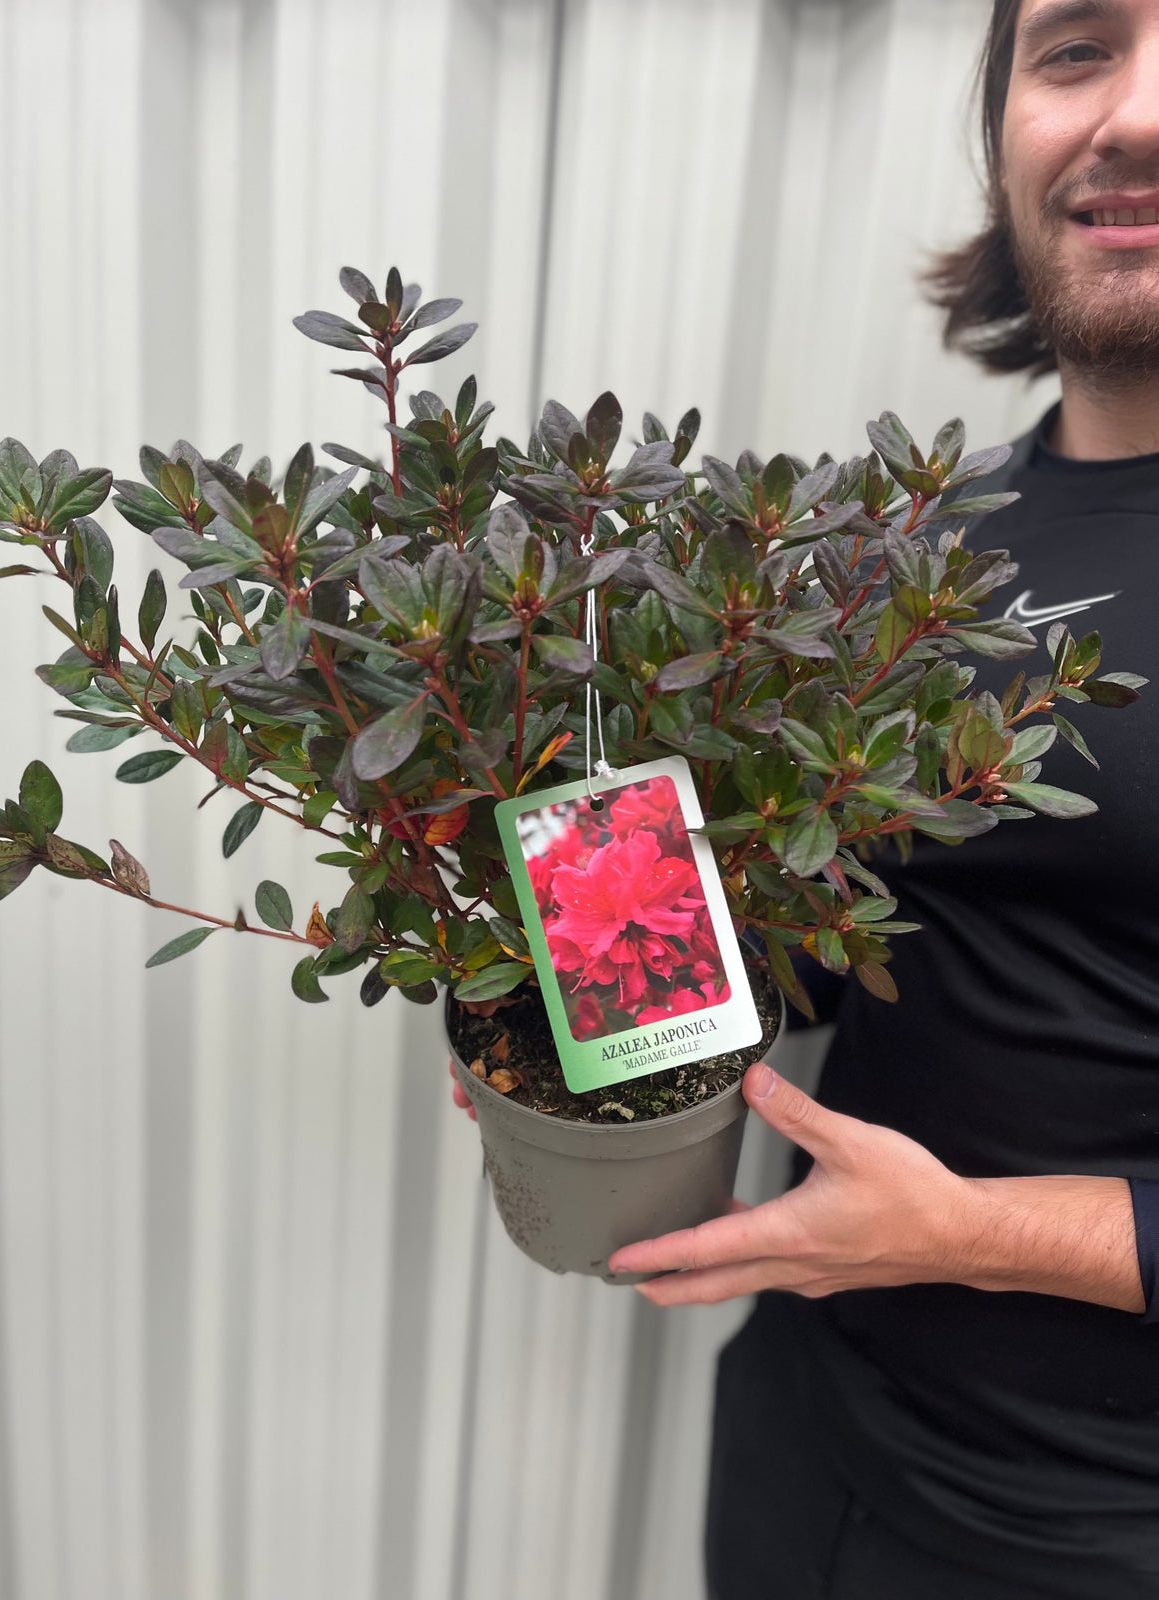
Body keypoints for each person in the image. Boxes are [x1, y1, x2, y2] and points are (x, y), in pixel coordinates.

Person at [453, 0, 1159, 1592]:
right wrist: (578, 998)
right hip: (808, 1442)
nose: (1135, 114)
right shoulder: (916, 548)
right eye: (1074, 51)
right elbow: (854, 938)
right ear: (1003, 137)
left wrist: (972, 1233)